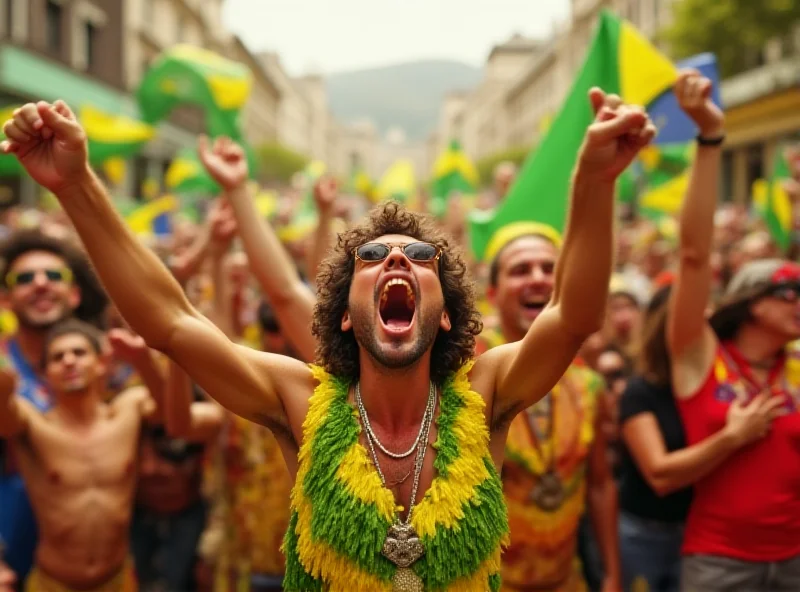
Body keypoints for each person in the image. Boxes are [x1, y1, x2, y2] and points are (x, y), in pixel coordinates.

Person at [2, 91, 656, 591]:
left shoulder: (488, 392)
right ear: (345, 314)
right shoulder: (298, 398)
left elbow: (571, 316)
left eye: (419, 258)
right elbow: (171, 322)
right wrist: (77, 186)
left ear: (450, 314)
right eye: (373, 257)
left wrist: (593, 180)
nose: (396, 262)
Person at [666, 71, 800, 590]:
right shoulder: (701, 355)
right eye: (787, 292)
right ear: (749, 305)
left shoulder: (794, 364)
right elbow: (695, 256)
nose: (798, 303)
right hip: (720, 563)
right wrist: (709, 136)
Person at [477, 232, 621, 592]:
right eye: (521, 270)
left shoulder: (588, 385)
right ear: (492, 295)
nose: (538, 278)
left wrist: (612, 573)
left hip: (565, 581)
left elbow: (600, 485)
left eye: (549, 269)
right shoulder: (467, 379)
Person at [618, 284, 779, 592]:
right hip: (648, 534)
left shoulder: (724, 389)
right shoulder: (642, 391)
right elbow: (659, 475)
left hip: (706, 534)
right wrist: (733, 437)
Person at [0, 319, 163, 591]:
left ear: (102, 363)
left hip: (118, 580)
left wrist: (145, 361)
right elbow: (5, 419)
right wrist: (4, 389)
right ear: (45, 374)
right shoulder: (33, 423)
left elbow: (171, 415)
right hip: (54, 583)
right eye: (57, 357)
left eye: (79, 353)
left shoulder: (128, 409)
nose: (68, 361)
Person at [0, 230, 84, 584]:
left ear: (74, 294)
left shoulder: (105, 364)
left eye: (53, 276)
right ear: (6, 300)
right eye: (24, 279)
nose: (40, 284)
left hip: (86, 559)